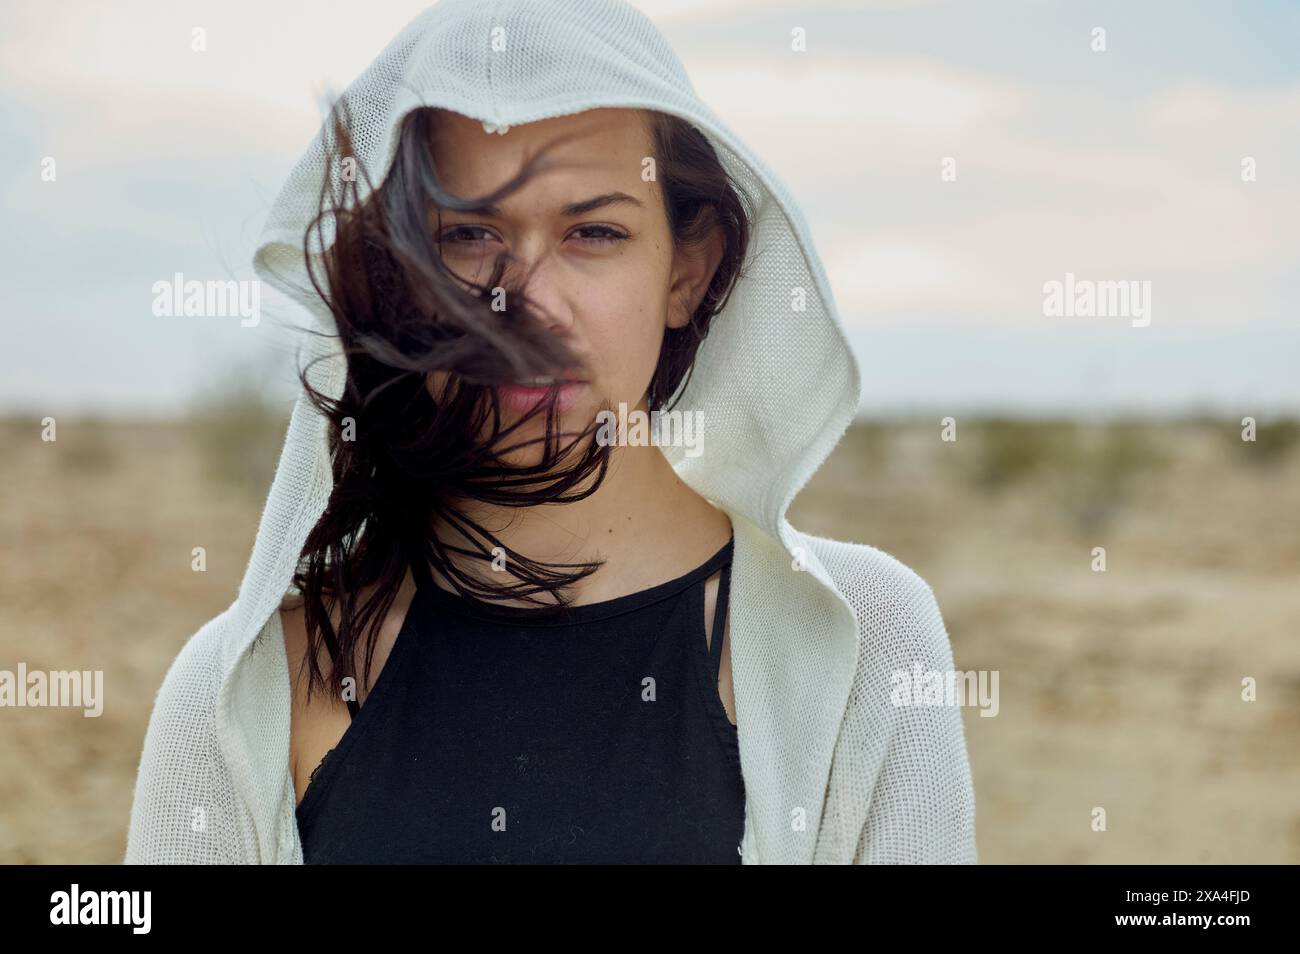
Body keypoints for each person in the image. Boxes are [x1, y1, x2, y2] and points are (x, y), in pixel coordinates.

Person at [124, 0, 976, 864]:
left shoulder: (864, 643)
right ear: (397, 277)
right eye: (467, 236)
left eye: (595, 232)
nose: (522, 303)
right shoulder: (249, 691)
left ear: (689, 268)